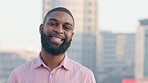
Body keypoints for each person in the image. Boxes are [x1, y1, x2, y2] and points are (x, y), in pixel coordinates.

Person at [7, 7, 96, 83]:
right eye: (53, 24)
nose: (59, 30)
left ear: (71, 35)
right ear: (41, 28)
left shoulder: (84, 77)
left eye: (66, 27)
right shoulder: (18, 76)